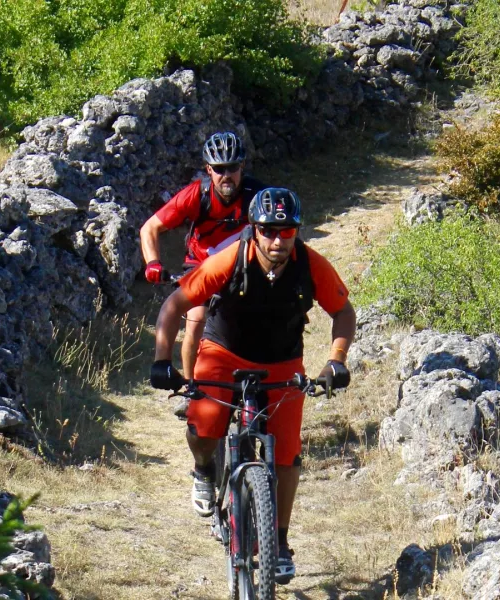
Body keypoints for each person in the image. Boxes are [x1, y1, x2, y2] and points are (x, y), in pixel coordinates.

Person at [150, 188, 356, 583]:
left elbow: (343, 311)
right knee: (204, 424)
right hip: (225, 351)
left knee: (287, 452)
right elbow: (174, 305)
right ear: (254, 229)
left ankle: (278, 542)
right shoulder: (230, 260)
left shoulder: (311, 265)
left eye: (287, 231)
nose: (278, 240)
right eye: (268, 230)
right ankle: (204, 470)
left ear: (297, 231)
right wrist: (163, 361)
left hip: (282, 360)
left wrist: (337, 361)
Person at [140, 131, 264, 378]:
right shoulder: (197, 195)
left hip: (243, 266)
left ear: (242, 166)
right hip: (199, 266)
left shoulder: (257, 197)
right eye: (219, 169)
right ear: (208, 169)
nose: (226, 175)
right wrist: (153, 263)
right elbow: (150, 227)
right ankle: (190, 388)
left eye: (232, 167)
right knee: (196, 319)